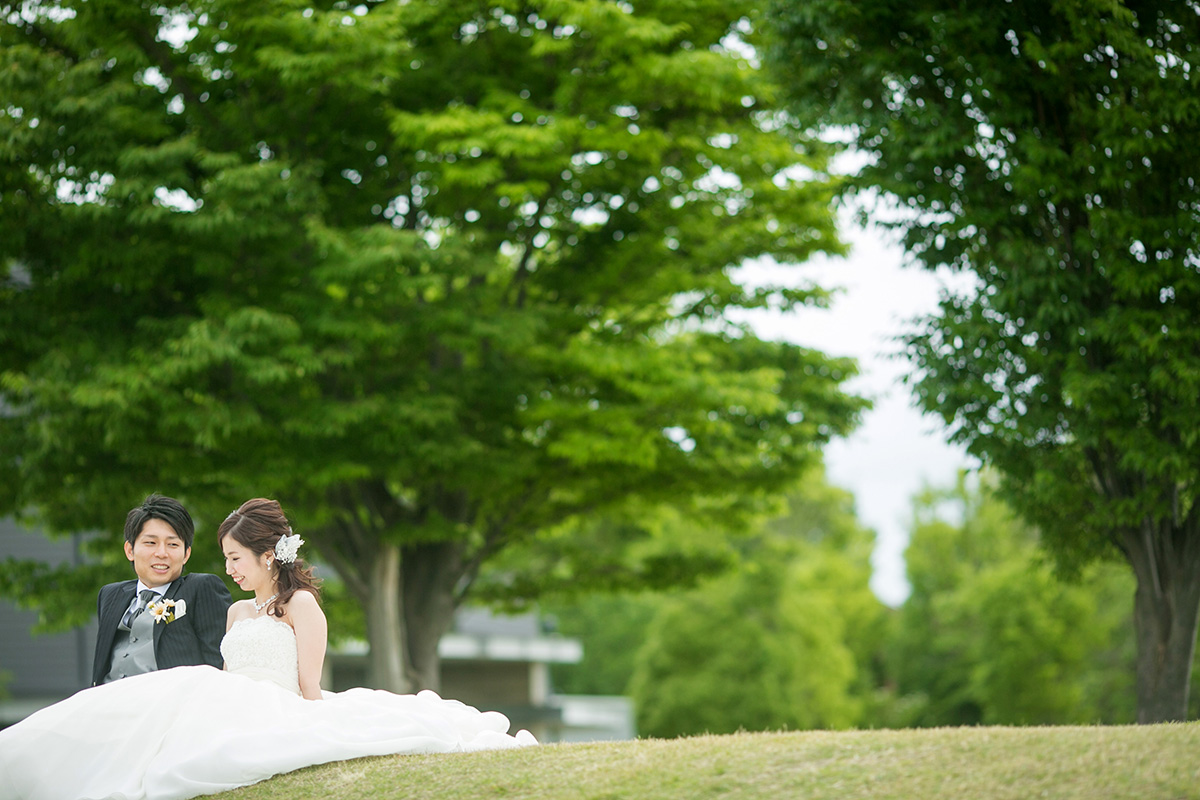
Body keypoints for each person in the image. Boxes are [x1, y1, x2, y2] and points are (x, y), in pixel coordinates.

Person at [0, 498, 536, 800]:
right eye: (226, 559)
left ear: (265, 555)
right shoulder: (236, 612)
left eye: (235, 558)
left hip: (277, 701)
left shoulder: (301, 604)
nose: (229, 570)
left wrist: (313, 719)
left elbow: (309, 686)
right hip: (228, 696)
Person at [92, 493, 232, 685]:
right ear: (130, 550)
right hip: (108, 700)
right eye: (151, 542)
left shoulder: (201, 588)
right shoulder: (110, 595)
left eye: (173, 544)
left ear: (186, 554)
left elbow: (217, 664)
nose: (161, 553)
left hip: (168, 705)